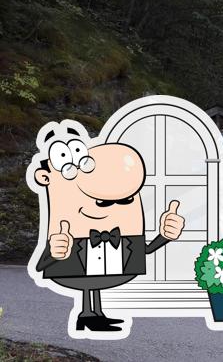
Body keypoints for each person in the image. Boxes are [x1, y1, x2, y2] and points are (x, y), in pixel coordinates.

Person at [30, 120, 185, 332]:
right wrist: (55, 253)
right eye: (103, 201)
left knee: (93, 284)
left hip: (107, 259)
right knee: (87, 282)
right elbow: (40, 266)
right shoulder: (66, 234)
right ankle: (87, 314)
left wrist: (166, 235)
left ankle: (93, 315)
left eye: (124, 201)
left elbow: (145, 250)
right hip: (76, 257)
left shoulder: (124, 236)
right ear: (45, 177)